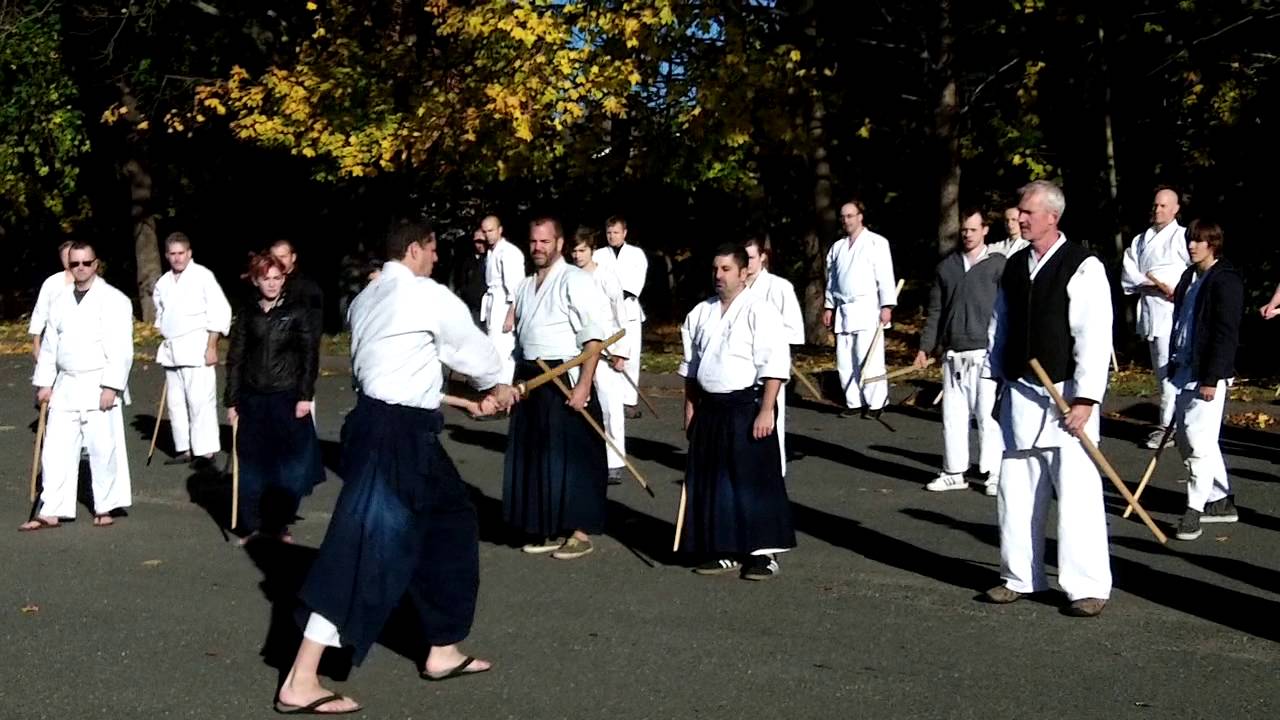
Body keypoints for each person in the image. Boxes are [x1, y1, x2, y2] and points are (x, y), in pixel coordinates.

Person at [275, 219, 519, 715]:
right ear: (413, 250)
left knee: (451, 522)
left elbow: (396, 371)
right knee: (364, 543)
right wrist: (497, 387)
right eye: (431, 251)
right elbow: (475, 352)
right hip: (394, 437)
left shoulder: (367, 298)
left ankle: (442, 646)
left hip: (388, 427)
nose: (435, 260)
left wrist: (461, 402)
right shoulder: (423, 294)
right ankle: (300, 677)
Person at [984, 180, 1114, 618]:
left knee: (1077, 495)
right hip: (1022, 392)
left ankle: (1086, 586)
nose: (1020, 217)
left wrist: (1087, 399)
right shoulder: (1015, 265)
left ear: (1052, 217)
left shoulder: (1083, 265)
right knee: (1016, 491)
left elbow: (1093, 335)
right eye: (1020, 211)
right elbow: (999, 325)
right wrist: (998, 370)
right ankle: (1019, 576)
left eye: (1027, 212)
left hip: (1067, 397)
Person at [678, 243, 795, 580]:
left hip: (746, 405)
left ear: (744, 273)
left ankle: (762, 553)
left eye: (726, 269)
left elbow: (774, 364)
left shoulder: (761, 310)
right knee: (716, 482)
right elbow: (691, 367)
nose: (718, 275)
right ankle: (725, 547)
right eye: (715, 269)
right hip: (710, 407)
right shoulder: (701, 312)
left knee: (753, 480)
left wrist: (767, 409)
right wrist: (690, 408)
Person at [503, 217, 617, 560]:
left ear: (560, 243)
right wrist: (513, 386)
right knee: (540, 456)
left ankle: (579, 531)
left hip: (563, 376)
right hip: (532, 377)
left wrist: (583, 385)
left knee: (574, 456)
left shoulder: (575, 280)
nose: (538, 247)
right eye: (534, 241)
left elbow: (594, 338)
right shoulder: (525, 286)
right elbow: (521, 341)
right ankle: (549, 525)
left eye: (545, 241)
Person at [22, 242, 133, 531]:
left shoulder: (114, 300)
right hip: (66, 384)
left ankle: (105, 505)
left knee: (101, 448)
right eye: (75, 264)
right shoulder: (59, 302)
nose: (81, 268)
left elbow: (121, 348)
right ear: (68, 267)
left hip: (98, 382)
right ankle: (52, 508)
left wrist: (111, 386)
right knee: (56, 449)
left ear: (96, 264)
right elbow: (50, 346)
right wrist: (44, 383)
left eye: (86, 263)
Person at [223, 253, 324, 545]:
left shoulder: (297, 311)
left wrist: (305, 396)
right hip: (253, 399)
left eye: (277, 278)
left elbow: (309, 356)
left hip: (287, 397)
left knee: (288, 467)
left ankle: (279, 524)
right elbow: (236, 358)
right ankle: (252, 526)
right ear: (256, 280)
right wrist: (231, 401)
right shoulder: (247, 313)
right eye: (266, 278)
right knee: (252, 465)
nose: (272, 284)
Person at [915, 208, 1006, 496]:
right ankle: (954, 471)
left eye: (973, 229)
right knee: (953, 416)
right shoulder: (947, 267)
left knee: (987, 415)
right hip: (953, 354)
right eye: (964, 230)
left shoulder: (998, 265)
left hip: (985, 353)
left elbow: (1008, 309)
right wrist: (925, 347)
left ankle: (994, 472)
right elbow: (936, 311)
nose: (968, 234)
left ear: (985, 230)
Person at [1166, 219, 1243, 541]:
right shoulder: (1190, 277)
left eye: (1198, 241)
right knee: (1187, 439)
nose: (1192, 246)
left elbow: (1226, 334)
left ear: (1213, 243)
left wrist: (1212, 377)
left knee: (1199, 442)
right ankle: (1220, 500)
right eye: (1190, 241)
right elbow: (1181, 320)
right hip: (1185, 367)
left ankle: (1194, 510)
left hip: (1207, 373)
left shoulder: (1226, 281)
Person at [153, 232, 232, 466]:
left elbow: (219, 311)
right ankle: (184, 447)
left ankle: (205, 452)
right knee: (176, 404)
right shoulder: (163, 282)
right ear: (167, 255)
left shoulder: (202, 276)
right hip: (172, 349)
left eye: (181, 253)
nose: (177, 258)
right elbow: (160, 311)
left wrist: (211, 346)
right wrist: (161, 327)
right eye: (173, 254)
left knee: (200, 402)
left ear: (189, 253)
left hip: (197, 346)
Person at [1121, 187, 1191, 449]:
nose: (1157, 210)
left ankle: (1168, 425)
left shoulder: (1182, 237)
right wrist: (1147, 283)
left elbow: (1192, 270)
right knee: (1160, 369)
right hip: (1151, 308)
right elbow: (1130, 271)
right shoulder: (1141, 240)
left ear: (1175, 209)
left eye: (1163, 206)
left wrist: (1177, 286)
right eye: (1155, 205)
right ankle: (1171, 422)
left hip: (1173, 311)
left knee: (1170, 369)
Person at [823, 199, 898, 419]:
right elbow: (832, 280)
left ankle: (876, 402)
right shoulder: (837, 247)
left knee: (869, 357)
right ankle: (853, 401)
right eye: (843, 216)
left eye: (850, 215)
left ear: (860, 217)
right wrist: (829, 305)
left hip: (867, 306)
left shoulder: (876, 243)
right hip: (844, 309)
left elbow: (885, 275)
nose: (846, 220)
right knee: (845, 359)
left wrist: (887, 305)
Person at [569, 226, 631, 486]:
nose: (577, 255)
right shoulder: (568, 277)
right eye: (573, 250)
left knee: (609, 404)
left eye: (582, 250)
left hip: (606, 347)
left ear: (591, 249)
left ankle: (615, 460)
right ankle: (583, 456)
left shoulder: (606, 277)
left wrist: (621, 352)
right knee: (578, 402)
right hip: (576, 349)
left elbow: (620, 314)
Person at [742, 237, 804, 473]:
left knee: (770, 416)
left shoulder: (779, 287)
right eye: (744, 257)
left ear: (763, 257)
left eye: (751, 258)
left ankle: (774, 470)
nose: (747, 263)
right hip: (741, 363)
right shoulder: (738, 287)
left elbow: (794, 330)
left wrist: (769, 341)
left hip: (769, 364)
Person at [593, 216, 648, 419]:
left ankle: (629, 401)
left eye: (616, 232)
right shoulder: (598, 254)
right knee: (606, 355)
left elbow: (635, 284)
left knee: (630, 357)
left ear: (624, 233)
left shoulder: (636, 254)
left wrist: (617, 293)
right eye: (609, 232)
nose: (612, 236)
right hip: (605, 312)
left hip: (628, 309)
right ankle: (605, 398)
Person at [481, 214, 526, 384]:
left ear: (500, 230)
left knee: (504, 350)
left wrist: (511, 314)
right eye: (484, 231)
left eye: (491, 230)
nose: (488, 235)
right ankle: (497, 389)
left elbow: (516, 287)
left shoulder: (509, 252)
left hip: (504, 305)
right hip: (493, 303)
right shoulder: (491, 252)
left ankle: (503, 390)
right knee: (494, 348)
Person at [28, 240, 75, 359]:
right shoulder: (51, 283)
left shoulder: (92, 283)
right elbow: (40, 314)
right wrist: (36, 346)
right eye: (65, 256)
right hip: (53, 343)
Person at [269, 239, 325, 332]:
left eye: (283, 257)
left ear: (293, 257)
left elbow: (315, 322)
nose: (278, 261)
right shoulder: (265, 285)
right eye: (274, 257)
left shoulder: (309, 287)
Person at [452, 229, 489, 326]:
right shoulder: (468, 261)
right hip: (473, 308)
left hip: (488, 308)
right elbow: (461, 282)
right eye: (477, 242)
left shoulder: (492, 258)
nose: (481, 245)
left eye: (483, 241)